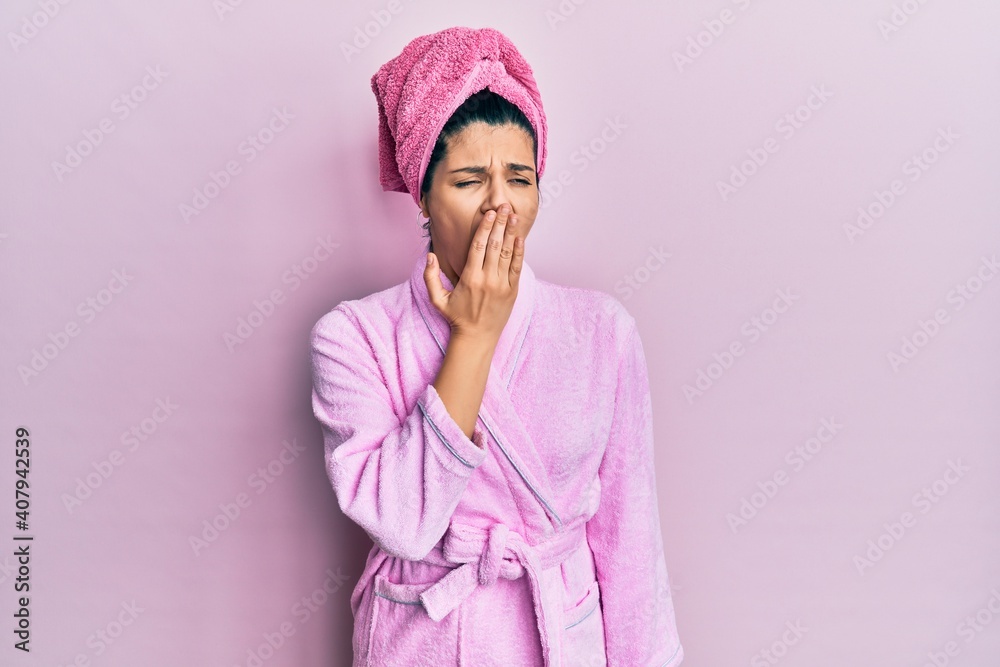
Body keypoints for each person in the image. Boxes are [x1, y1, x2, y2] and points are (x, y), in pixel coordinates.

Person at [309, 26, 684, 666]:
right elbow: (402, 522)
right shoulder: (353, 337)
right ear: (423, 194)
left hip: (558, 635)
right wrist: (473, 336)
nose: (500, 207)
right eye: (468, 181)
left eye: (519, 177)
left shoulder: (603, 331)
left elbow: (630, 543)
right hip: (423, 637)